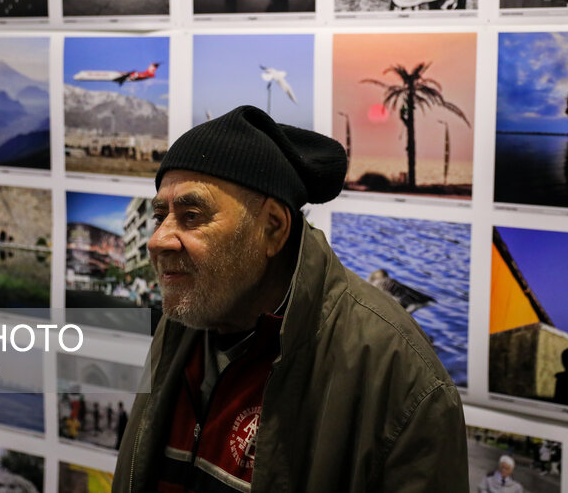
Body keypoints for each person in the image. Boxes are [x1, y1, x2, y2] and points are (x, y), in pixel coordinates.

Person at [114, 105, 468, 492]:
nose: (158, 240)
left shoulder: (396, 372)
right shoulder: (184, 321)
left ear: (273, 228)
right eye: (159, 215)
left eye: (192, 215)